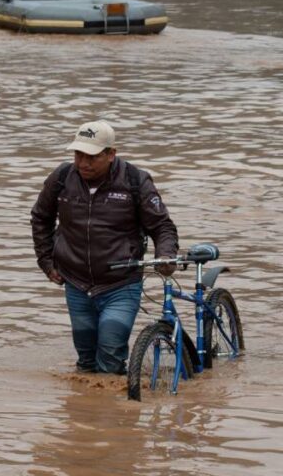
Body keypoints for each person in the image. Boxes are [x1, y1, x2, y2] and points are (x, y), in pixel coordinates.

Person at [30, 121, 179, 375]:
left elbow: (162, 226)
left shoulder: (135, 181)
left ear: (111, 154)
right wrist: (46, 261)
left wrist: (165, 255)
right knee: (86, 362)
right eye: (78, 155)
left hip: (120, 284)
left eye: (92, 156)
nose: (83, 163)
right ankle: (88, 411)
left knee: (109, 358)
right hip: (76, 283)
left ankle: (115, 408)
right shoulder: (61, 178)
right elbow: (40, 218)